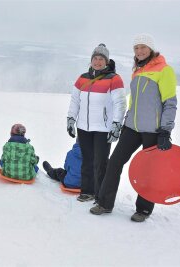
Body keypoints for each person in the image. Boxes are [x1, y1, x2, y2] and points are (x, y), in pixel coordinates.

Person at [90, 34, 177, 222]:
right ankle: (105, 203)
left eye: (143, 47)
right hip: (132, 128)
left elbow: (170, 103)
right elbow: (134, 102)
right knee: (114, 162)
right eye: (136, 48)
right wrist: (125, 120)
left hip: (153, 130)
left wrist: (165, 130)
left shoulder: (165, 70)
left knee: (148, 170)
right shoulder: (138, 70)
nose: (139, 51)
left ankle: (143, 209)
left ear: (151, 49)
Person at [67, 44, 127, 202]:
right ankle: (87, 191)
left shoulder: (114, 78)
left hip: (103, 128)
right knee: (87, 160)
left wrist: (116, 124)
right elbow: (75, 101)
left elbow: (120, 103)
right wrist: (71, 118)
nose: (98, 61)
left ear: (107, 61)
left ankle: (100, 195)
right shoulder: (83, 78)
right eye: (95, 58)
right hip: (83, 127)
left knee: (100, 162)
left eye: (101, 59)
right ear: (91, 60)